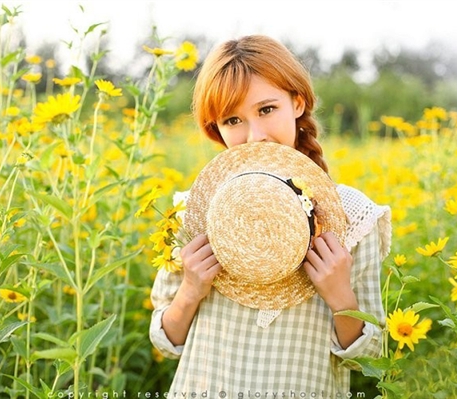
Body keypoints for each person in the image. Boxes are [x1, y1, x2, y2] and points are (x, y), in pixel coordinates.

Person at [149, 35, 391, 397]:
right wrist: (190, 290)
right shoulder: (196, 212)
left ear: (297, 102)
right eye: (233, 120)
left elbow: (370, 358)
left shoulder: (352, 217)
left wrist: (339, 294)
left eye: (266, 109)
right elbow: (166, 342)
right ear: (216, 128)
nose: (255, 136)